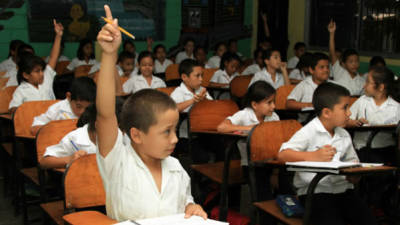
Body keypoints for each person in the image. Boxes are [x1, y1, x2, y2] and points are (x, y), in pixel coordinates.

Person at [95, 5, 207, 221]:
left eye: (175, 130)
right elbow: (105, 114)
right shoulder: (118, 161)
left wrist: (192, 207)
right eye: (166, 132)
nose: (175, 138)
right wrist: (109, 55)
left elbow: (186, 202)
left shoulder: (175, 167)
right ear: (136, 135)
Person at [278, 82, 377, 225]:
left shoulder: (343, 134)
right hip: (315, 193)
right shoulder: (309, 131)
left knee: (368, 221)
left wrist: (355, 175)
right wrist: (313, 156)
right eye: (345, 108)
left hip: (343, 190)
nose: (349, 113)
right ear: (326, 113)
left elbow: (353, 163)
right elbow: (282, 155)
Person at [217, 81, 279, 166]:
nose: (273, 106)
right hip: (249, 163)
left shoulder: (274, 116)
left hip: (270, 160)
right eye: (269, 103)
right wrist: (249, 129)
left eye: (274, 102)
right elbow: (221, 127)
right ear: (254, 105)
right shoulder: (244, 114)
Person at [8, 20, 64, 113]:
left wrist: (58, 36)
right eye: (37, 71)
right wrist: (27, 110)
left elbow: (53, 57)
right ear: (26, 75)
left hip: (52, 120)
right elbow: (12, 109)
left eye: (42, 70)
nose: (42, 74)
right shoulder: (21, 90)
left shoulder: (46, 79)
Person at [348, 66, 400, 158]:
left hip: (386, 152)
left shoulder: (396, 107)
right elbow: (345, 120)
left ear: (381, 87)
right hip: (361, 151)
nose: (364, 85)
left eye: (368, 82)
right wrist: (354, 122)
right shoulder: (362, 101)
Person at [30, 77, 96, 135]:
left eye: (87, 108)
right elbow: (34, 128)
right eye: (79, 106)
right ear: (68, 97)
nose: (83, 112)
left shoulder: (97, 109)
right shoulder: (57, 109)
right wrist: (55, 129)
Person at [170, 59, 212, 138]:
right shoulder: (178, 92)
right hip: (186, 137)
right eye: (197, 76)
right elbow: (172, 109)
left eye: (202, 75)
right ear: (184, 77)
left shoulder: (202, 90)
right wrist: (193, 100)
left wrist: (205, 100)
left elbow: (213, 106)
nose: (201, 79)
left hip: (204, 133)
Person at [286, 53, 330, 123]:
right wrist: (310, 105)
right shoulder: (304, 84)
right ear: (311, 70)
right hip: (306, 123)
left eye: (327, 67)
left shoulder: (332, 85)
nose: (326, 70)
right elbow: (289, 104)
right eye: (322, 67)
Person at [328, 20, 365, 96]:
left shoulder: (361, 80)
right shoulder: (339, 71)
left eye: (356, 61)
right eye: (351, 62)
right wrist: (332, 33)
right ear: (343, 64)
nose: (354, 64)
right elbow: (332, 52)